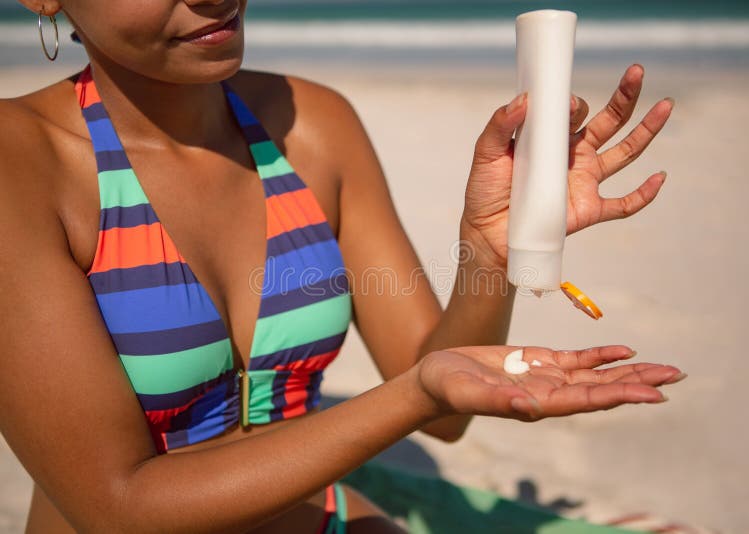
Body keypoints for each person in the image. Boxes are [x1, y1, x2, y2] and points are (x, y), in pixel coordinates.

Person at [0, 1, 683, 533]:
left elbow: (442, 406)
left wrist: (489, 251)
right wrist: (420, 392)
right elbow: (118, 508)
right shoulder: (21, 165)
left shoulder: (313, 124)